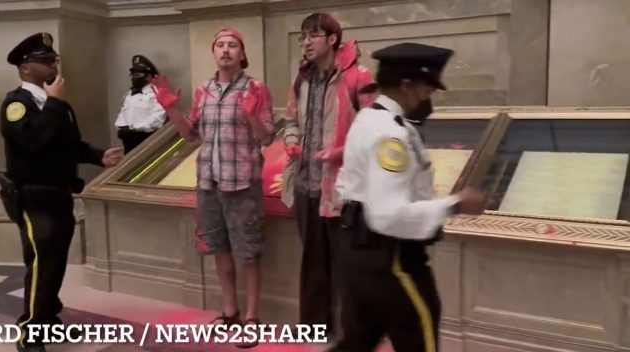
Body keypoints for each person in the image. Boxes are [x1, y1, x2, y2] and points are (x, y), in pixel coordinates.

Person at [331, 42, 485, 352]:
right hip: (394, 260)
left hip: (357, 253)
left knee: (357, 343)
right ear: (406, 85)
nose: (428, 99)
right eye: (426, 91)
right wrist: (454, 204)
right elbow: (390, 214)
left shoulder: (369, 120)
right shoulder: (391, 134)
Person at [0, 32, 122, 352]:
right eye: (44, 60)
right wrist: (53, 102)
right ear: (26, 68)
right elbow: (35, 142)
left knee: (55, 263)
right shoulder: (17, 104)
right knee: (41, 264)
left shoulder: (56, 104)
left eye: (53, 59)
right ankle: (30, 333)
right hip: (33, 197)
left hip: (60, 195)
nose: (53, 63)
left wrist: (96, 156)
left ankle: (49, 323)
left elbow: (68, 145)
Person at [151, 28, 275, 349]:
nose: (225, 50)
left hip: (243, 183)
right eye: (220, 45)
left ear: (242, 53)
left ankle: (251, 317)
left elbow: (267, 137)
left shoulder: (256, 88)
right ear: (214, 52)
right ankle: (229, 311)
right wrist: (171, 109)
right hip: (209, 182)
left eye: (232, 45)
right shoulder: (204, 90)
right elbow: (190, 134)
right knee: (219, 248)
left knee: (248, 251)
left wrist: (251, 117)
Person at [281, 12, 374, 337]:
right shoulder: (301, 78)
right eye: (303, 36)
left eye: (313, 36)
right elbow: (290, 120)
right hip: (306, 185)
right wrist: (292, 143)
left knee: (348, 266)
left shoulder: (358, 77)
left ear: (332, 39)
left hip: (342, 189)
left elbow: (379, 131)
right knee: (313, 263)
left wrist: (342, 153)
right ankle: (313, 331)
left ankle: (356, 336)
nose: (306, 42)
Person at [115, 54, 168, 153]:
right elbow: (123, 114)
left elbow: (157, 120)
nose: (134, 78)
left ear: (148, 77)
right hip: (129, 142)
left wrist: (134, 128)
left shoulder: (158, 94)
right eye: (133, 75)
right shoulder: (129, 94)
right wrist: (121, 128)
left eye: (138, 75)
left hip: (148, 140)